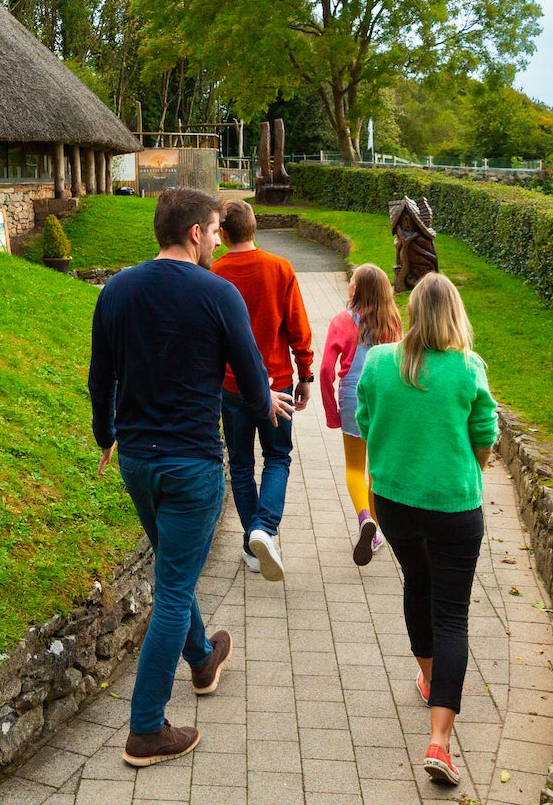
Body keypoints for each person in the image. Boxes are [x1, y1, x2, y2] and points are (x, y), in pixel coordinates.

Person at [90, 186, 291, 767]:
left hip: (138, 463)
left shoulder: (117, 290)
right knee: (174, 590)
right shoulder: (217, 293)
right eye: (211, 229)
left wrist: (107, 436)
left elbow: (100, 378)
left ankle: (203, 658)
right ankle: (146, 729)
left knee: (171, 568)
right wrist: (268, 405)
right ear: (198, 232)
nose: (214, 240)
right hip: (192, 466)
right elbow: (253, 380)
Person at [354, 272, 498, 788]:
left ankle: (431, 678)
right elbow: (485, 437)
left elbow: (367, 423)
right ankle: (440, 740)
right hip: (455, 507)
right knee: (452, 614)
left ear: (412, 311)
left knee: (418, 584)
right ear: (455, 312)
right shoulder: (467, 368)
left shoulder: (378, 361)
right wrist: (465, 464)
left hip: (393, 502)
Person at [211, 199, 313, 582]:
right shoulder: (281, 268)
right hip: (279, 382)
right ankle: (264, 530)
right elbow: (298, 328)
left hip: (231, 384)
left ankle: (251, 544)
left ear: (222, 233)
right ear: (255, 228)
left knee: (240, 465)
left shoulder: (215, 272)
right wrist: (306, 374)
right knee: (278, 458)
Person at [318, 263, 401, 565]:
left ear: (357, 290)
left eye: (352, 282)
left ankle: (365, 519)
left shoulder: (342, 320)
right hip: (385, 399)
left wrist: (331, 411)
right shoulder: (393, 322)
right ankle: (376, 527)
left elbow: (327, 370)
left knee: (354, 467)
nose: (349, 286)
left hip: (353, 397)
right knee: (376, 469)